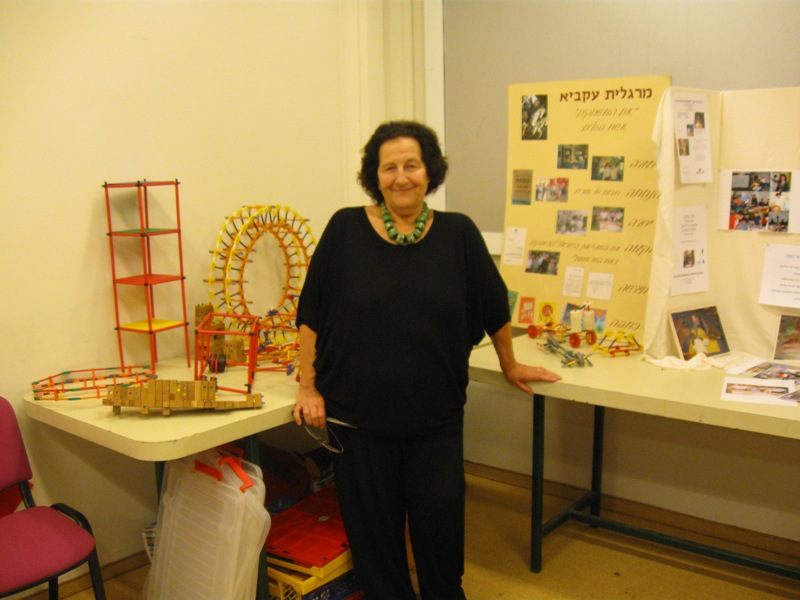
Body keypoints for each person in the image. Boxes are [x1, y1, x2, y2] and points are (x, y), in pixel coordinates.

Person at [293, 120, 561, 600]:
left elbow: (493, 306)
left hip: (434, 414)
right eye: (389, 167)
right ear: (375, 176)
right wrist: (307, 385)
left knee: (440, 519)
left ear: (429, 171)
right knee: (375, 534)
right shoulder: (344, 229)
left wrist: (510, 364)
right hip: (358, 414)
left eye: (411, 165)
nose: (401, 177)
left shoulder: (458, 234)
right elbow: (311, 312)